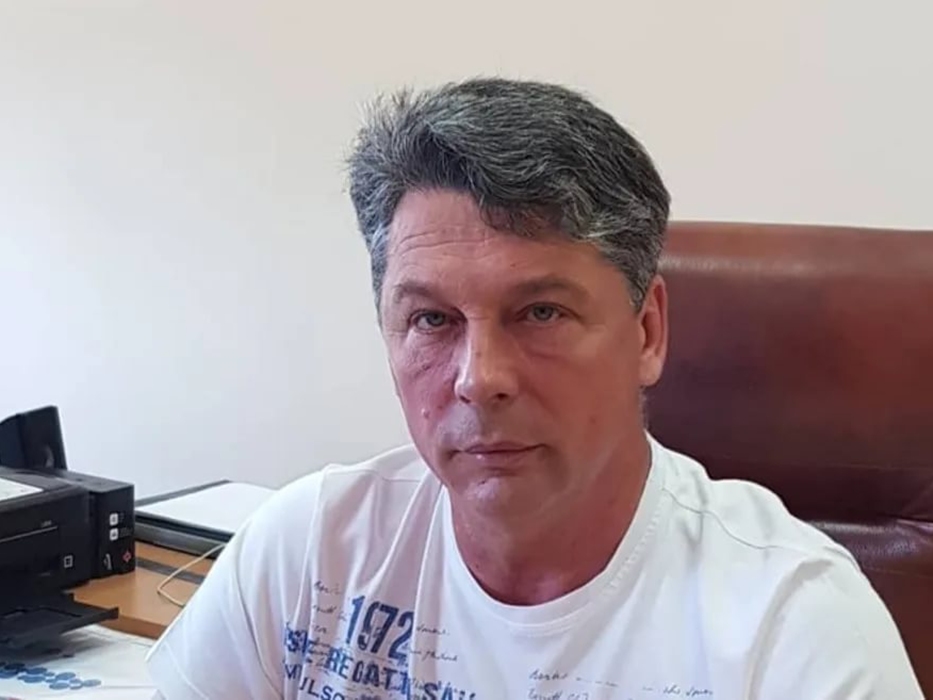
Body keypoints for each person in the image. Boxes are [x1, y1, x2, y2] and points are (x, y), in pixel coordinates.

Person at [147, 78, 923, 699]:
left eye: (541, 312)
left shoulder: (792, 628)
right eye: (430, 320)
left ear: (646, 331)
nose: (478, 378)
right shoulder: (309, 550)